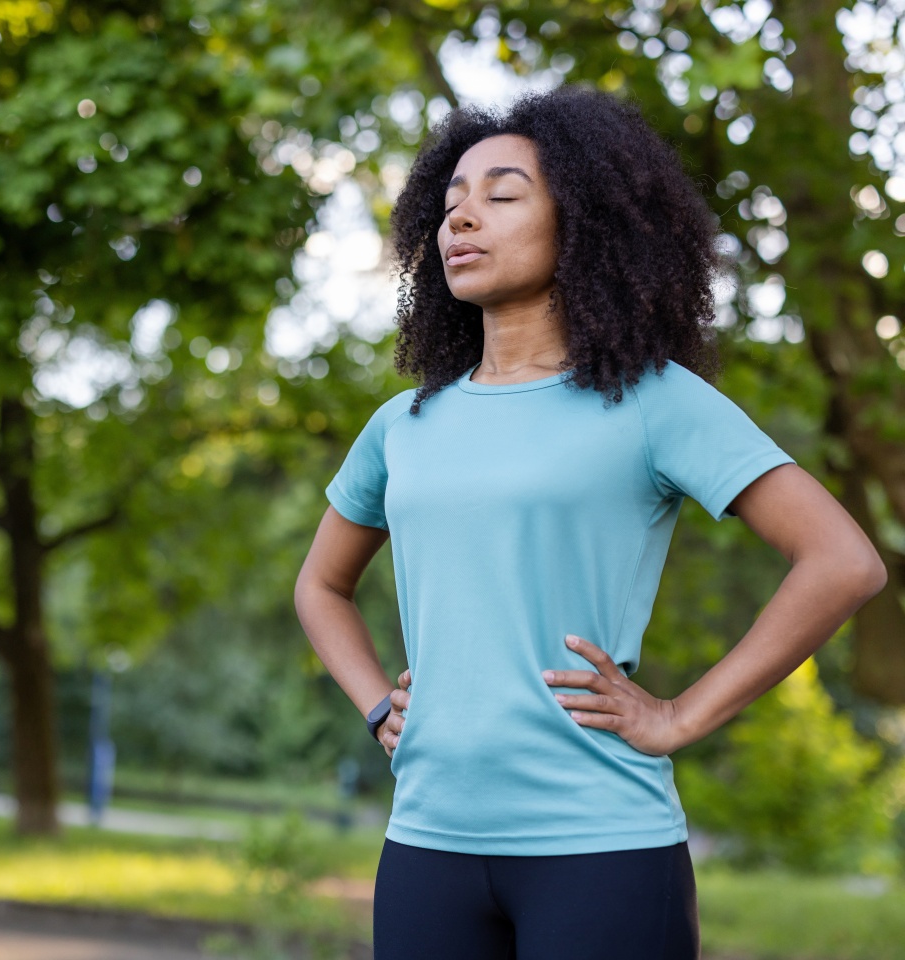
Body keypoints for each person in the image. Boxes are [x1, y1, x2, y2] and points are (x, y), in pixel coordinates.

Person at [293, 85, 887, 960]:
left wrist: (680, 716)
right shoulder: (402, 424)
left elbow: (843, 561)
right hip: (426, 843)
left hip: (600, 848)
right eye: (450, 201)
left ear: (583, 224)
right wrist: (378, 702)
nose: (463, 218)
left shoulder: (652, 401)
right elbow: (320, 585)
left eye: (500, 196)